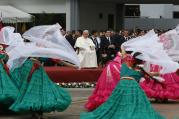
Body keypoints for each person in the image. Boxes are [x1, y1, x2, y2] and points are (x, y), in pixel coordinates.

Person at [80, 52, 165, 119]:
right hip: (133, 87)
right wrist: (160, 73)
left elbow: (123, 54)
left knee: (116, 103)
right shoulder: (140, 70)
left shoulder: (125, 64)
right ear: (141, 61)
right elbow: (150, 75)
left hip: (122, 85)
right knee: (133, 103)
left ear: (133, 58)